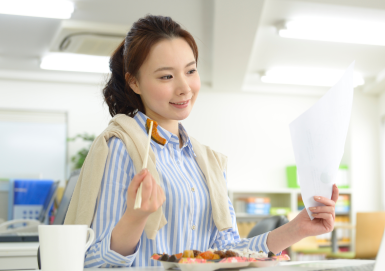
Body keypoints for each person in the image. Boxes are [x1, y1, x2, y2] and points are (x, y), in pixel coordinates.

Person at [67, 15, 339, 268]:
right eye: (166, 76)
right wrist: (134, 219)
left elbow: (226, 253)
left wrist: (298, 228)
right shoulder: (121, 146)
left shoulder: (207, 161)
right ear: (134, 83)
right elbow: (92, 263)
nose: (184, 87)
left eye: (190, 71)